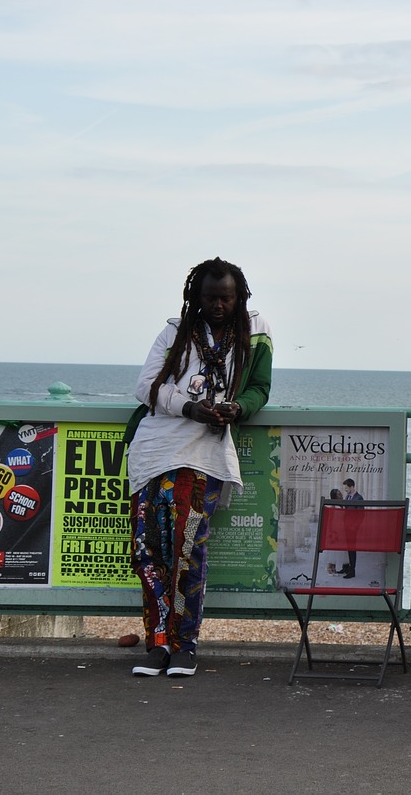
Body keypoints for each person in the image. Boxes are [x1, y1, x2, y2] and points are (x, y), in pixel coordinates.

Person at [123, 258, 272, 677]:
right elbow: (145, 387)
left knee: (189, 549)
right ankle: (157, 643)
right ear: (196, 296)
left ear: (240, 296)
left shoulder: (256, 330)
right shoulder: (175, 331)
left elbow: (260, 387)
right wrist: (190, 408)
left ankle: (185, 644)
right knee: (147, 551)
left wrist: (238, 407)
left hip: (203, 456)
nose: (219, 305)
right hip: (152, 453)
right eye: (210, 297)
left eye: (226, 297)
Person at [340, 478, 363, 578]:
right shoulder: (347, 497)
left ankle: (352, 570)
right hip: (346, 527)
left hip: (353, 528)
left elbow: (361, 515)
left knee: (352, 549)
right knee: (346, 548)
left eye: (346, 489)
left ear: (352, 487)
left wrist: (355, 527)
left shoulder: (359, 498)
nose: (345, 490)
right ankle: (346, 567)